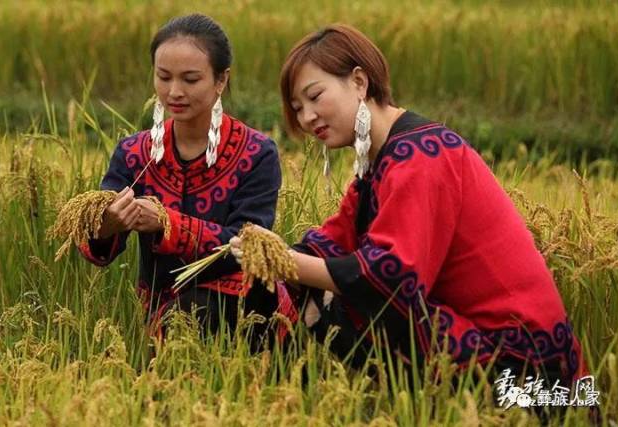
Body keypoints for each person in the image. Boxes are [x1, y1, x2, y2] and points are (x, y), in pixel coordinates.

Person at [230, 24, 588, 390]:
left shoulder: (420, 155)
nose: (307, 117)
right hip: (486, 336)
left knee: (345, 303)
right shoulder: (381, 160)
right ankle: (277, 391)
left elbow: (392, 279)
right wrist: (267, 250)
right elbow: (333, 241)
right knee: (304, 288)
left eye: (315, 96)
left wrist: (287, 262)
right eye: (297, 108)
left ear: (358, 82)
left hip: (525, 358)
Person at [81, 14, 287, 342]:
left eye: (190, 79)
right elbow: (98, 248)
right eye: (163, 77)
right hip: (161, 312)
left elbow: (247, 243)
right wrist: (108, 222)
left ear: (221, 80)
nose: (174, 91)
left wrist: (166, 223)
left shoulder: (256, 153)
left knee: (191, 317)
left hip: (241, 306)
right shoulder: (134, 152)